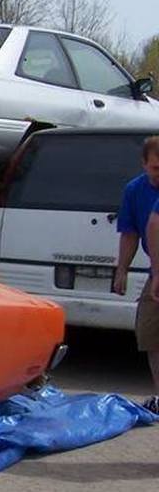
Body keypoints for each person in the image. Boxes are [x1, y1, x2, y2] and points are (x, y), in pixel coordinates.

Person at [113, 135, 159, 414]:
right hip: (155, 272)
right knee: (150, 332)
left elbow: (155, 225)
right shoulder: (135, 190)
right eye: (156, 168)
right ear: (144, 164)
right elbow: (131, 233)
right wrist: (122, 270)